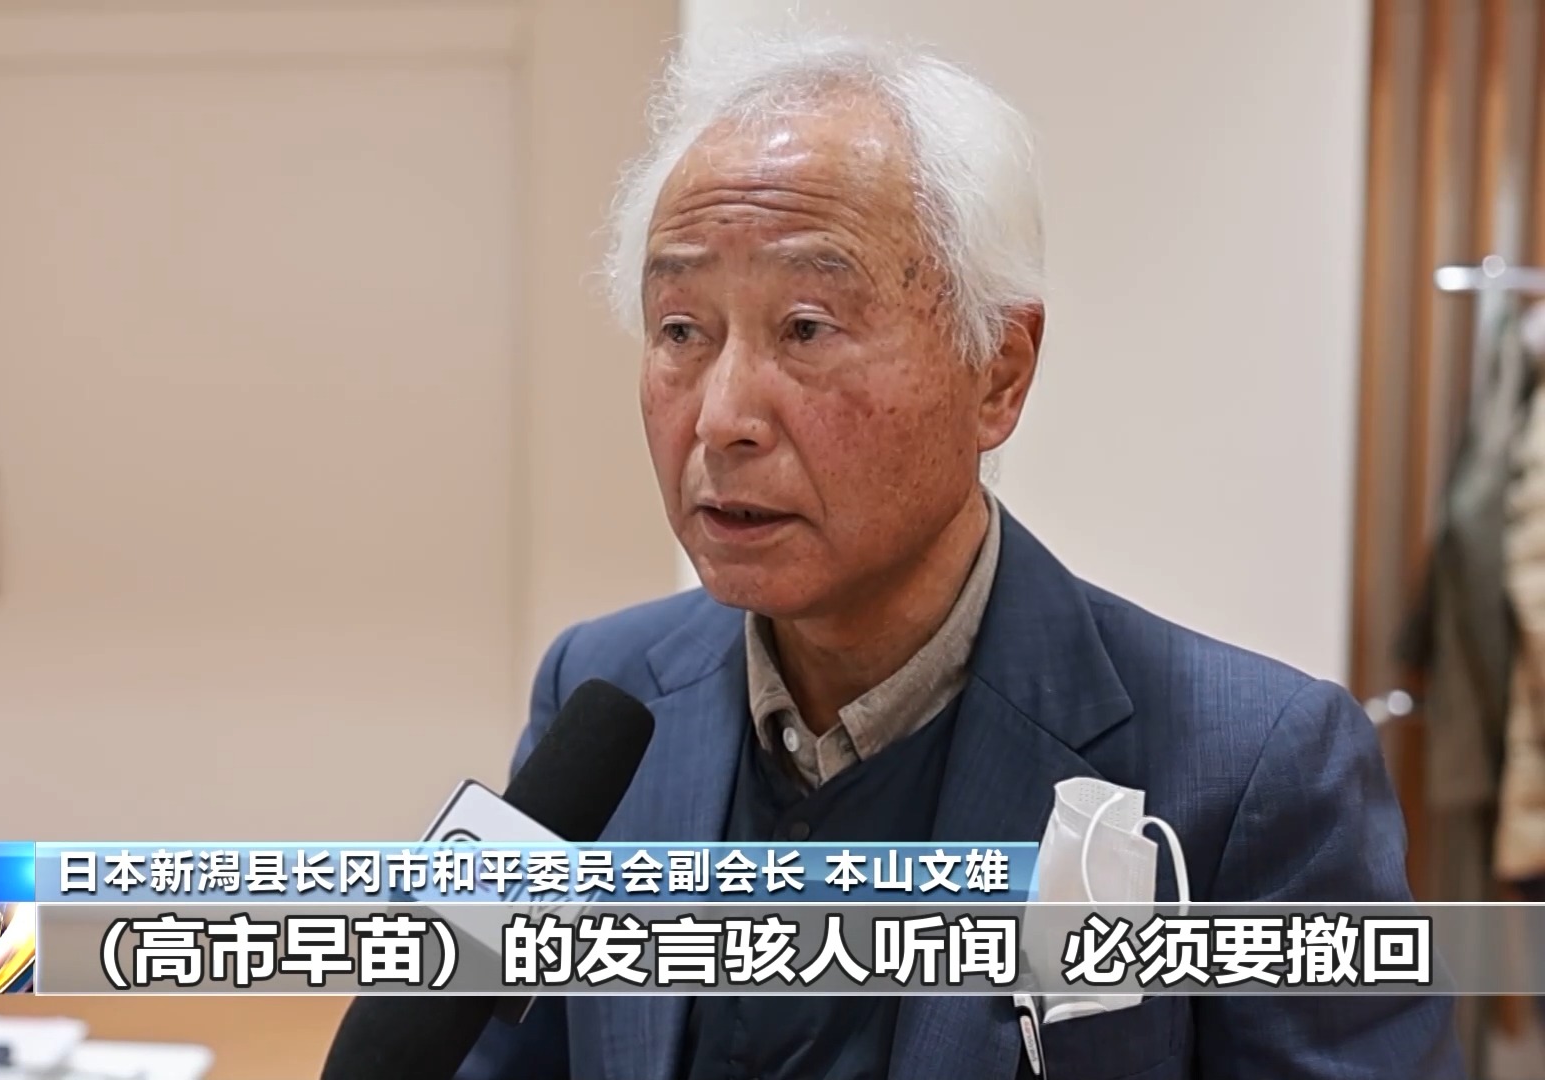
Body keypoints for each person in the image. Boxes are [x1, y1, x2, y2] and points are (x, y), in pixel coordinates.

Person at [456, 27, 1463, 1080]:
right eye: (679, 330)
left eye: (805, 327)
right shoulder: (599, 695)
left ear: (999, 374)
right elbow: (463, 1052)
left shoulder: (1256, 773)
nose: (721, 418)